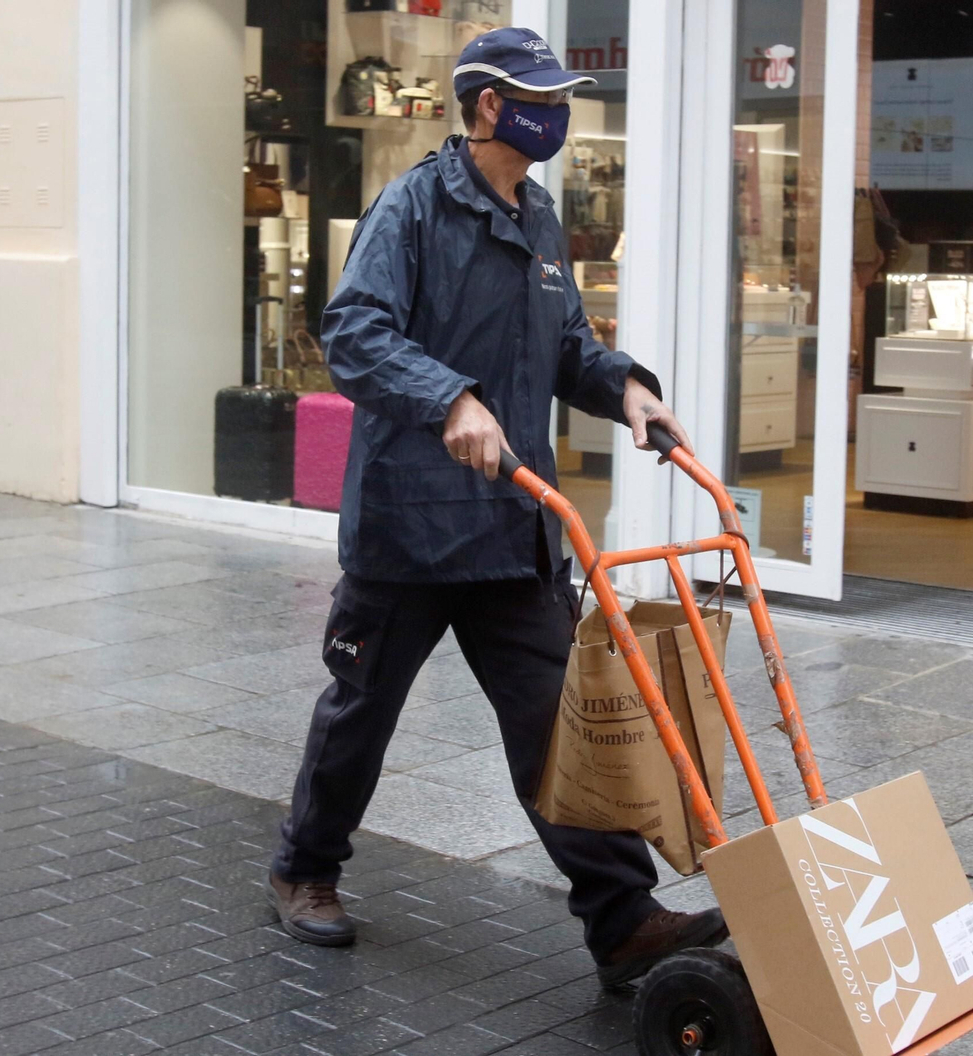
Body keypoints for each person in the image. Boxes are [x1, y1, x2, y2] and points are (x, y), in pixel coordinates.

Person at [268, 27, 726, 989]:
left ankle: (623, 922)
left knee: (566, 728)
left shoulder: (541, 218)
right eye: (541, 97)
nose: (556, 113)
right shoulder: (416, 207)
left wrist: (626, 389)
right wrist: (450, 398)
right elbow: (353, 331)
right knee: (360, 715)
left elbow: (566, 346)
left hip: (513, 532)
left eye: (560, 97)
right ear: (488, 105)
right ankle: (305, 869)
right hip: (412, 527)